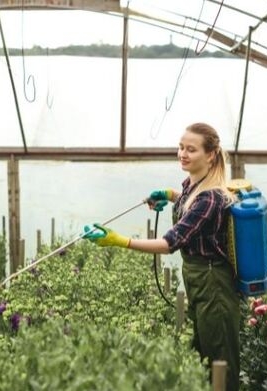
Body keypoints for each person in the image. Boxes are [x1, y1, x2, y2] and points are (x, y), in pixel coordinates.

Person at [83, 122, 241, 391]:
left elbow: (171, 242)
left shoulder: (211, 198)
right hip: (199, 279)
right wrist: (169, 195)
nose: (183, 154)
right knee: (203, 353)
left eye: (191, 149)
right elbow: (190, 203)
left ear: (211, 155)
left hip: (214, 283)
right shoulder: (195, 185)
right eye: (181, 147)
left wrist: (119, 241)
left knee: (219, 362)